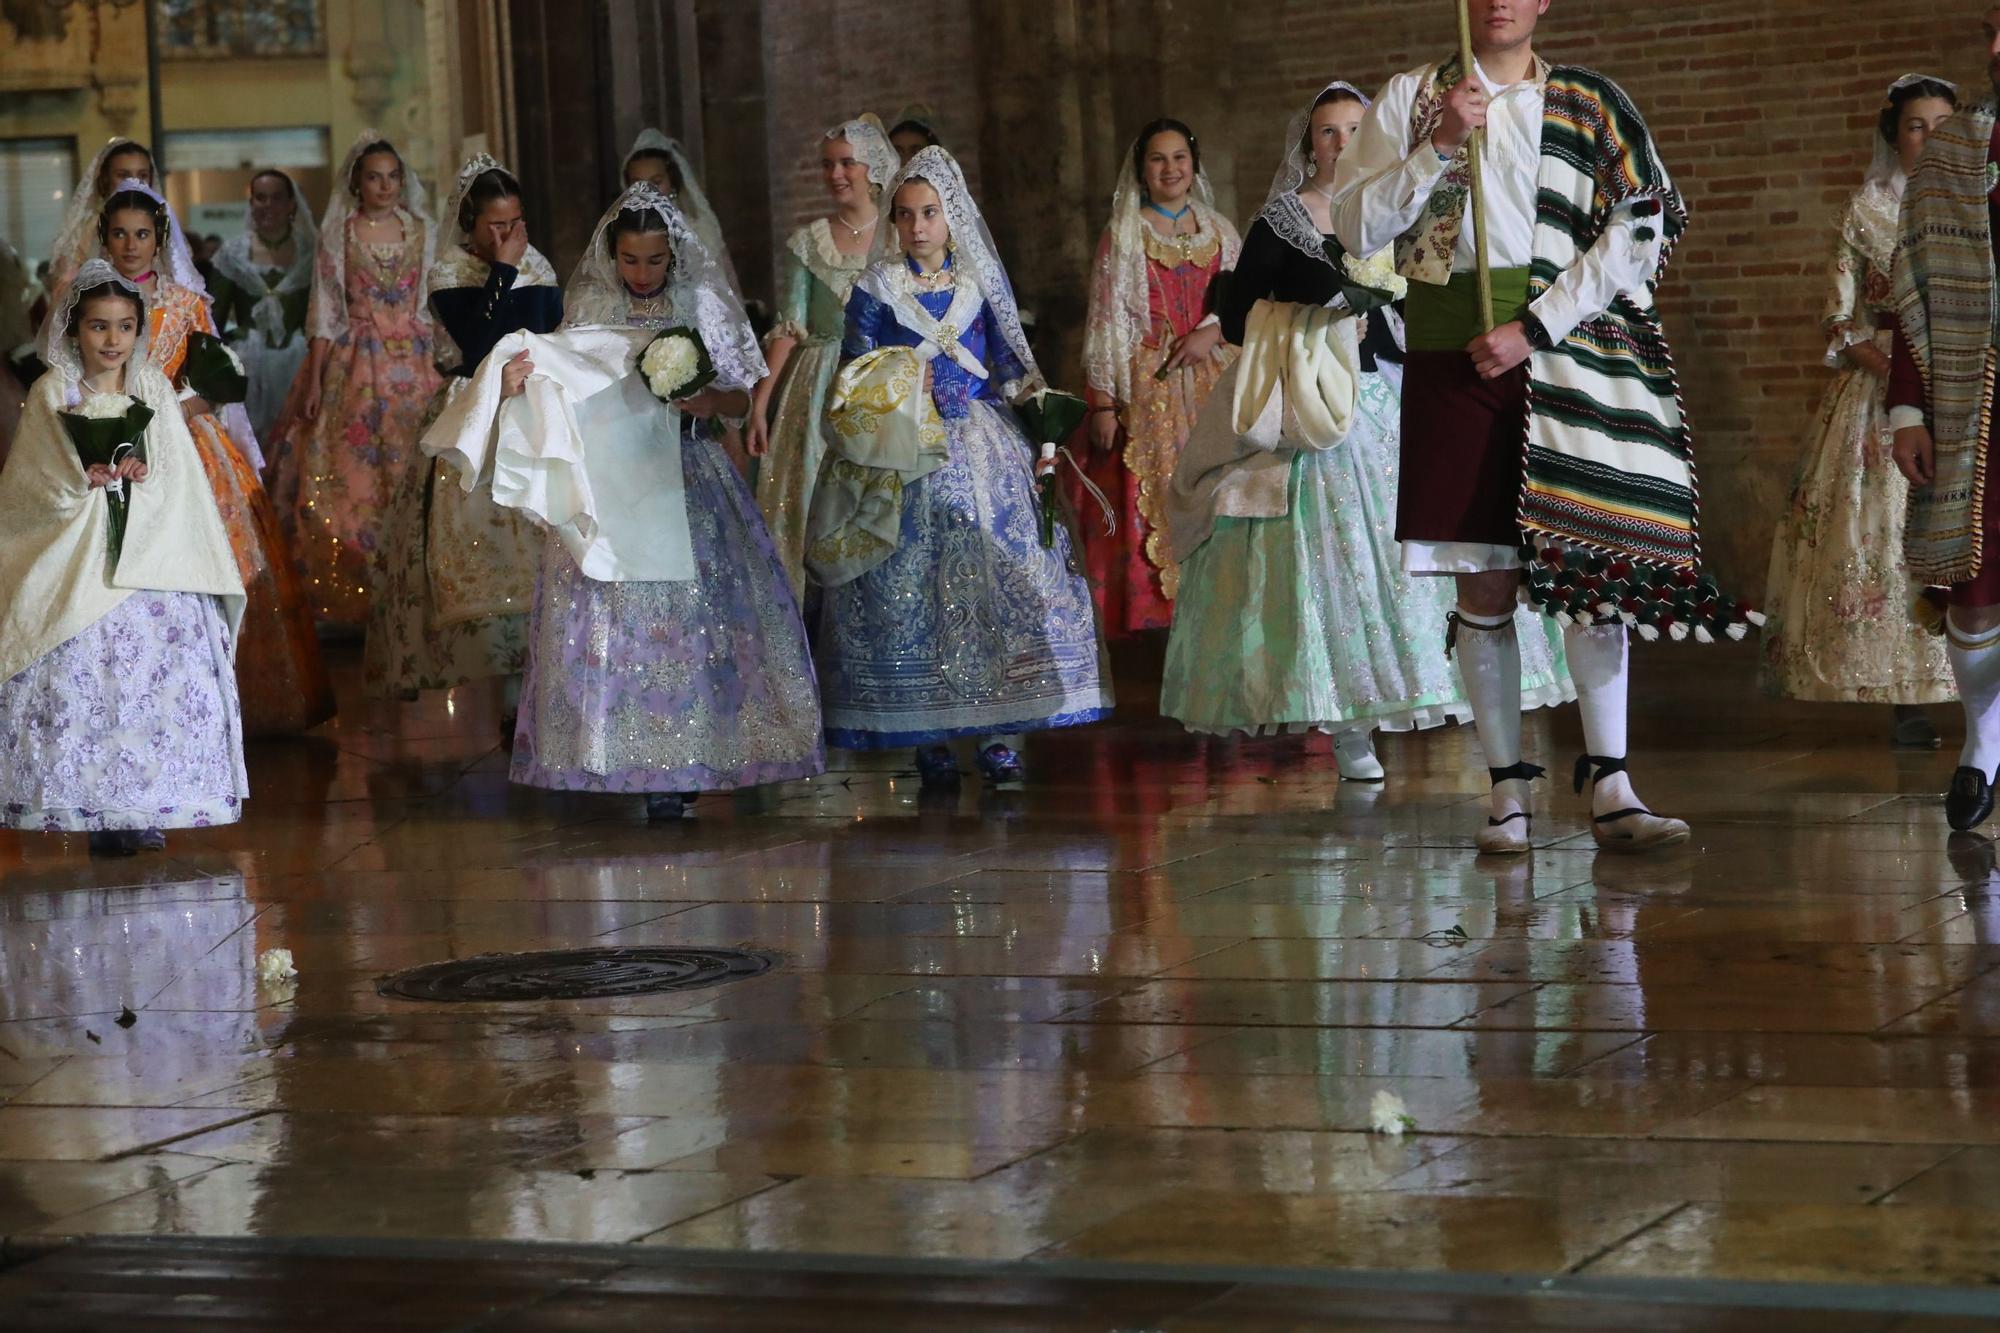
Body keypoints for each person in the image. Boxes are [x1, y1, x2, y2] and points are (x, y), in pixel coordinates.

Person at [1331, 0, 1755, 854]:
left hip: (1565, 356)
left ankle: (1612, 781)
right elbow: (1353, 227)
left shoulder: (1590, 103)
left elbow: (1645, 218)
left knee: (1591, 569)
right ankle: (1507, 791)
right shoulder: (1416, 96)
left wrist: (1539, 322)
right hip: (1453, 356)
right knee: (1482, 583)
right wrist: (1439, 145)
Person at [1163, 83, 1569, 776]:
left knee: (1420, 540)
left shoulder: (1400, 211)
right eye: (1327, 132)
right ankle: (1347, 722)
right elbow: (1236, 316)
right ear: (1309, 144)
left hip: (1391, 392)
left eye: (1354, 129)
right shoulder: (1283, 220)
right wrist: (1304, 311)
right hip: (1312, 401)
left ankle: (1440, 689)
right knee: (1326, 555)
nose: (1341, 143)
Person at [806, 147, 1111, 787]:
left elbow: (1007, 367)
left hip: (981, 445)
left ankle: (999, 733)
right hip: (905, 451)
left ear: (952, 219)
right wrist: (903, 386)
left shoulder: (976, 286)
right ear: (893, 222)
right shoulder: (876, 288)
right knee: (908, 585)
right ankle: (930, 730)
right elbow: (854, 374)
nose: (918, 227)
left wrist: (1039, 419)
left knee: (1004, 574)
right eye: (906, 215)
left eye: (930, 214)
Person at [0, 261, 246, 855]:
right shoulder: (51, 392)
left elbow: (174, 474)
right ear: (73, 330)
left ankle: (145, 804)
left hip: (149, 561)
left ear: (139, 330)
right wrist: (82, 478)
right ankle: (90, 806)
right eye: (98, 327)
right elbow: (34, 482)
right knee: (91, 686)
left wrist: (140, 474)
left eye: (125, 327)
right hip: (77, 559)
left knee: (148, 685)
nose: (112, 341)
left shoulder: (152, 388)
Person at [92, 181, 333, 737]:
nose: (132, 245)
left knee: (214, 567)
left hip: (185, 448)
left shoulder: (185, 303)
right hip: (111, 451)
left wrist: (179, 409)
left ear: (160, 240)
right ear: (105, 239)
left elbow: (223, 376)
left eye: (143, 235)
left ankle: (215, 700)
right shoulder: (89, 301)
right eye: (121, 234)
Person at [1765, 76, 1959, 744]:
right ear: (1893, 135)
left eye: (1942, 124)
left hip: (1969, 384)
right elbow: (1836, 316)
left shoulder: (1977, 207)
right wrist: (1892, 366)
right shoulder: (1868, 210)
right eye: (1916, 126)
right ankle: (1905, 691)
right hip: (1885, 389)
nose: (1930, 137)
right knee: (1884, 535)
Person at [363, 155, 561, 727]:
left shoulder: (538, 265)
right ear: (471, 223)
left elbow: (550, 332)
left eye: (516, 223)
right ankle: (503, 697)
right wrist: (501, 269)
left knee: (541, 544)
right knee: (481, 551)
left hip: (535, 412)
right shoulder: (450, 273)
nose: (510, 236)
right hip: (474, 413)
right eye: (497, 225)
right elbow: (476, 345)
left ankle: (540, 690)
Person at [1889, 7, 2000, 830]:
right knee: (1975, 590)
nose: (1994, 49)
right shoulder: (1954, 155)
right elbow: (1912, 288)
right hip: (1975, 398)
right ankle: (1982, 746)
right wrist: (1905, 411)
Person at [1077, 117, 1239, 634]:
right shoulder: (1124, 234)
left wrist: (1210, 333)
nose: (1170, 168)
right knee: (1163, 491)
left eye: (1178, 158)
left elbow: (1241, 300)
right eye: (1158, 159)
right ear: (1142, 170)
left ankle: (1228, 599)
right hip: (1154, 383)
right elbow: (1105, 321)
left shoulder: (1219, 229)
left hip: (1218, 374)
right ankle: (1165, 618)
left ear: (1193, 165)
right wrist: (1103, 401)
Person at [274, 131, 440, 630]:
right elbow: (326, 308)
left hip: (416, 362)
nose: (385, 186)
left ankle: (420, 588)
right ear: (358, 182)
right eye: (375, 177)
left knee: (418, 470)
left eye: (393, 177)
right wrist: (316, 382)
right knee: (353, 477)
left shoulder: (421, 230)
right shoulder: (339, 234)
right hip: (356, 363)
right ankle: (361, 593)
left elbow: (432, 302)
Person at [746, 115, 901, 599]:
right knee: (811, 499)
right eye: (828, 165)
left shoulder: (900, 233)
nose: (836, 174)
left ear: (871, 166)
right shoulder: (807, 241)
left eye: (846, 163)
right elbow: (790, 327)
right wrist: (760, 403)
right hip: (817, 387)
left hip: (882, 381)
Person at [208, 169, 318, 441]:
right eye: (260, 198)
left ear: (292, 204)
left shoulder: (312, 253)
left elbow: (322, 314)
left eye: (277, 198)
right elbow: (212, 318)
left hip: (300, 361)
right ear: (251, 204)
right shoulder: (232, 254)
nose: (268, 206)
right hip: (248, 363)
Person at [48, 139, 157, 289]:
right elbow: (66, 291)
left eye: (142, 175)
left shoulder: (161, 221)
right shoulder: (86, 230)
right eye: (123, 175)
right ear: (105, 178)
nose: (133, 182)